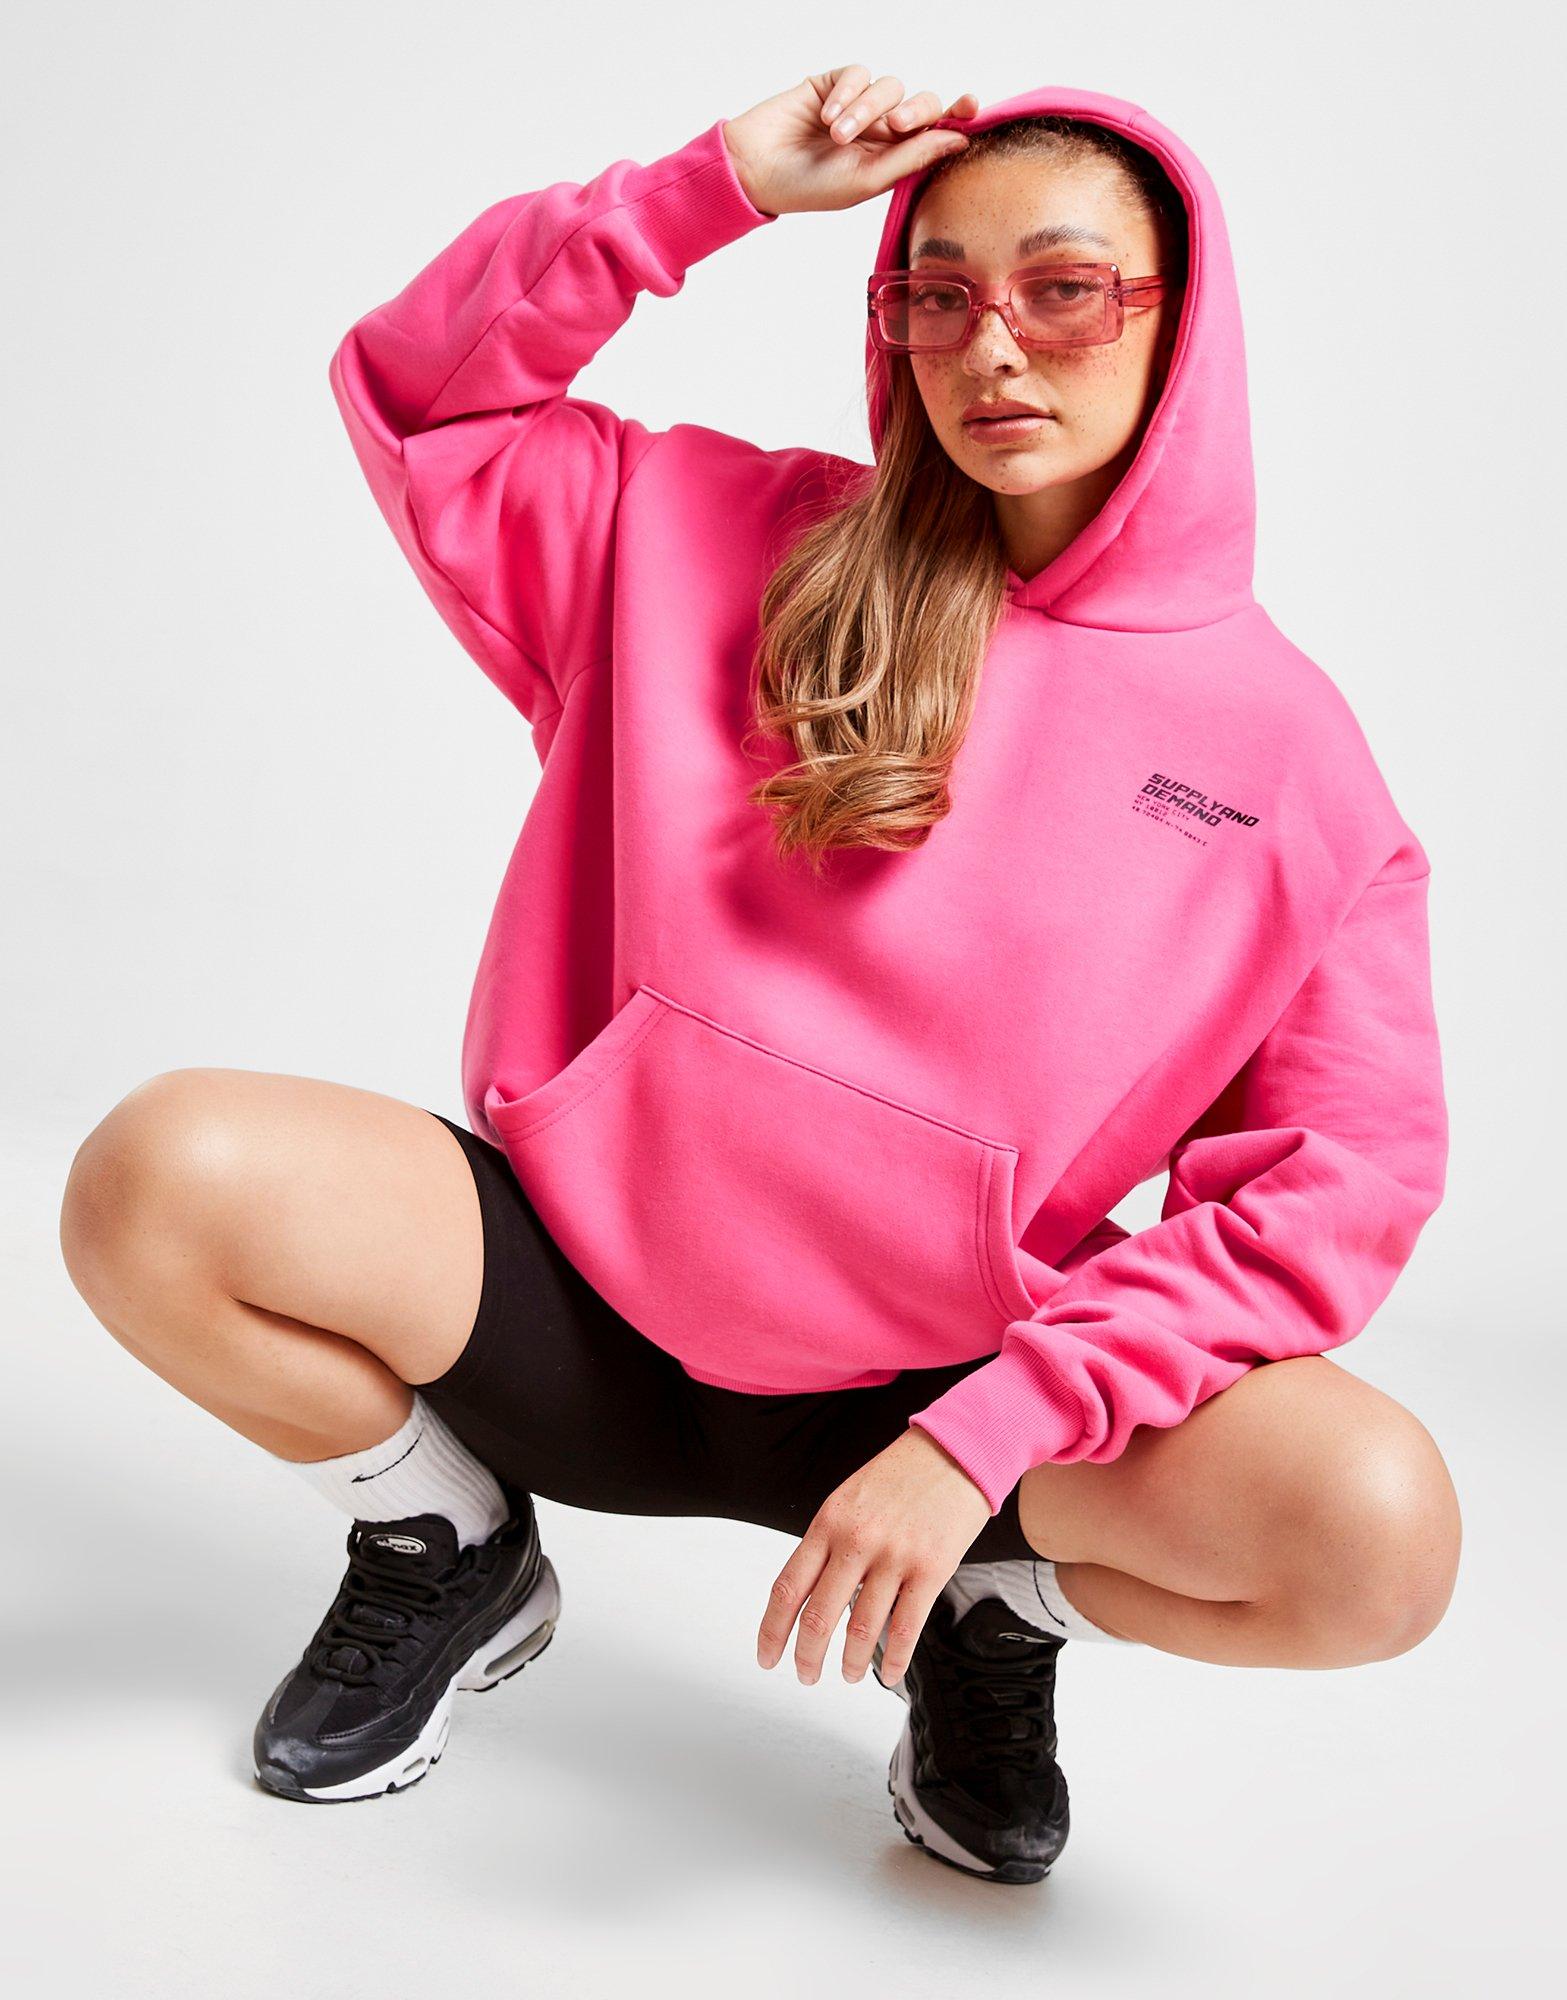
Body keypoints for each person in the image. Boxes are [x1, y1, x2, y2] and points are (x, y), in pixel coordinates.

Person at [58, 69, 1462, 1887]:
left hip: (939, 1407)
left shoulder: (1295, 766)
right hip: (568, 1309)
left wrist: (987, 1443)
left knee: (1378, 1530)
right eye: (939, 294)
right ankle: (442, 1540)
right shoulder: (707, 533)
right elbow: (421, 399)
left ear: (1177, 319)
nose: (993, 347)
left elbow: (1333, 1192)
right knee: (157, 1179)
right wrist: (708, 186)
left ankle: (990, 1615)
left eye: (1062, 289)